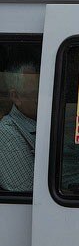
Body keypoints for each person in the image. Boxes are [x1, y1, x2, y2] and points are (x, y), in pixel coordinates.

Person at [0, 62, 39, 193]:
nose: (45, 99)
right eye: (36, 94)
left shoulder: (42, 122)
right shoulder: (7, 132)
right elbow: (26, 190)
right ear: (16, 97)